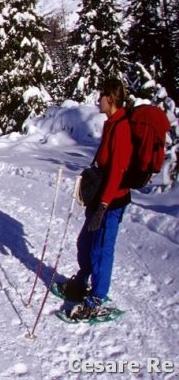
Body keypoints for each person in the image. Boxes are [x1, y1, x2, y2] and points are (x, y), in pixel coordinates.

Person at [59, 78, 132, 320]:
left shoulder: (121, 127)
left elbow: (118, 171)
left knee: (102, 249)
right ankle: (82, 280)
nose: (97, 100)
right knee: (85, 242)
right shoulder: (111, 123)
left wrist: (103, 205)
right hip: (100, 198)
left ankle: (98, 297)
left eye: (101, 95)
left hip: (111, 201)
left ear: (110, 99)